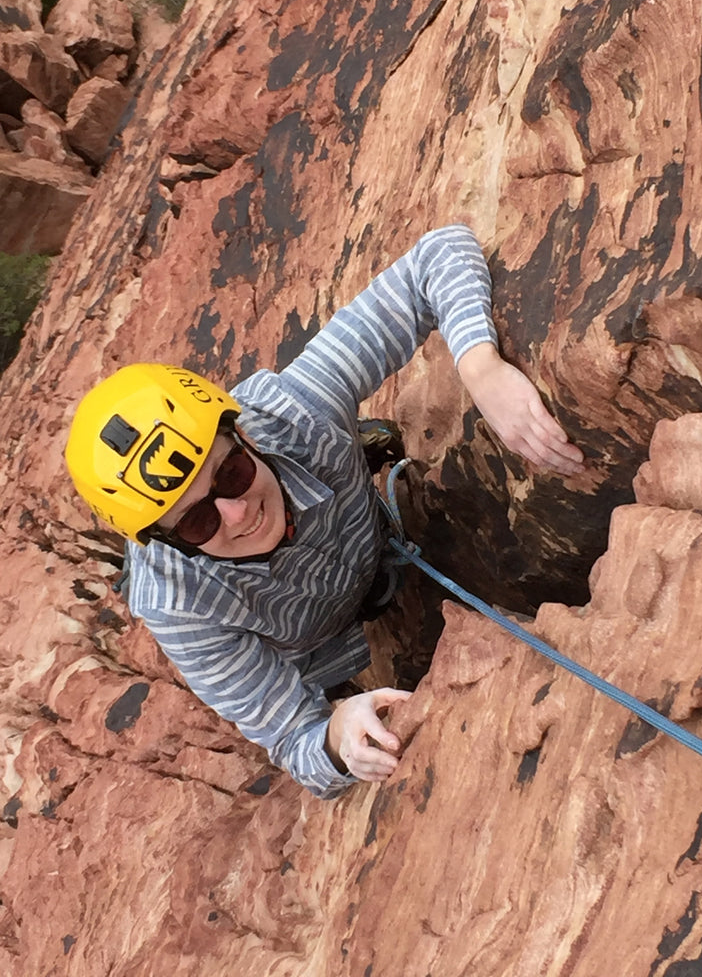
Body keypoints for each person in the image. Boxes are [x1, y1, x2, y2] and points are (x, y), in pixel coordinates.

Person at [65, 225, 584, 798]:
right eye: (197, 522)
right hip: (320, 647)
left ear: (246, 435)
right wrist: (336, 735)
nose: (236, 514)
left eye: (230, 474)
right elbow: (295, 742)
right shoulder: (182, 608)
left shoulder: (298, 409)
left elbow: (438, 254)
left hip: (370, 535)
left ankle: (355, 450)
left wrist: (480, 368)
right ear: (169, 544)